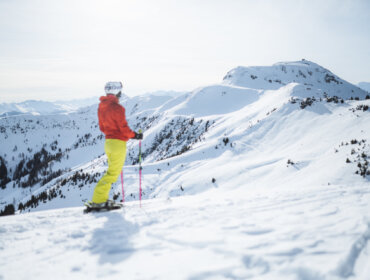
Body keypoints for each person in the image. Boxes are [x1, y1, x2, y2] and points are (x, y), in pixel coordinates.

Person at [89, 81, 143, 208]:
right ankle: (98, 201)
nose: (120, 94)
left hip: (108, 142)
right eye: (120, 92)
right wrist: (135, 135)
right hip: (117, 144)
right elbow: (123, 128)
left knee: (111, 172)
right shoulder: (118, 108)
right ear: (116, 92)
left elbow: (102, 127)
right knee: (112, 173)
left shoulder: (102, 107)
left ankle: (101, 199)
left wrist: (113, 133)